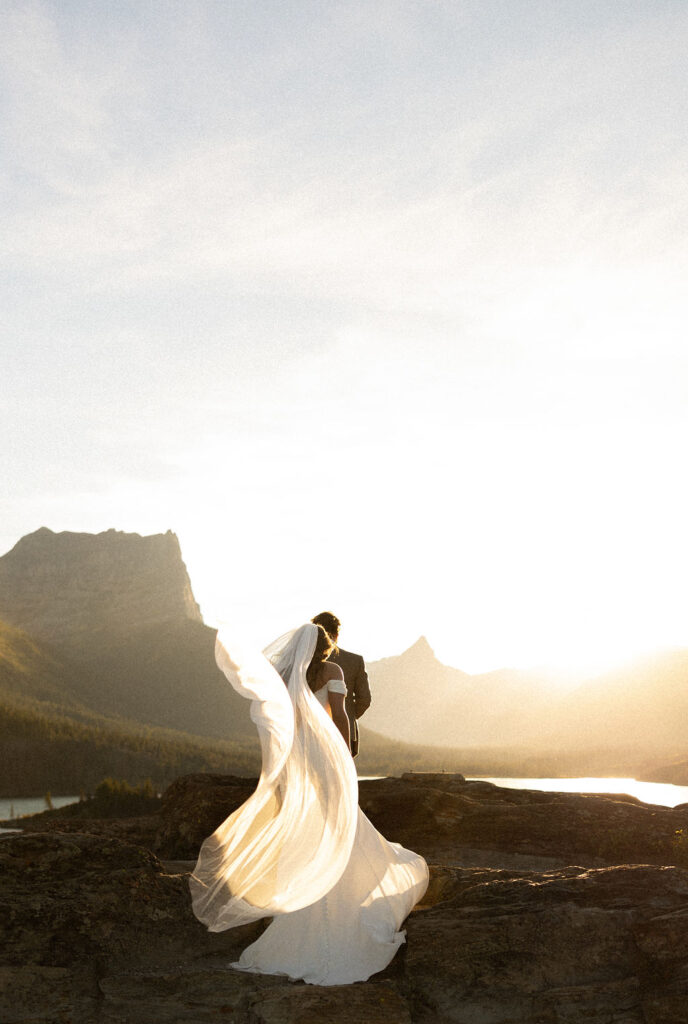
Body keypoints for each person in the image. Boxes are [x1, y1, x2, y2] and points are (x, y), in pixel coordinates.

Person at [189, 622, 428, 986]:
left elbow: (280, 719)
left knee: (310, 824)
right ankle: (345, 894)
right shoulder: (331, 671)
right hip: (327, 755)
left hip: (299, 757)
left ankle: (304, 901)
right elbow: (342, 715)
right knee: (339, 821)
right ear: (324, 646)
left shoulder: (285, 677)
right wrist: (346, 756)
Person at [311, 611, 371, 758]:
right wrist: (349, 714)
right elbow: (364, 700)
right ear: (337, 635)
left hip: (310, 729)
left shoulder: (303, 661)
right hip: (344, 731)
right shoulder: (355, 661)